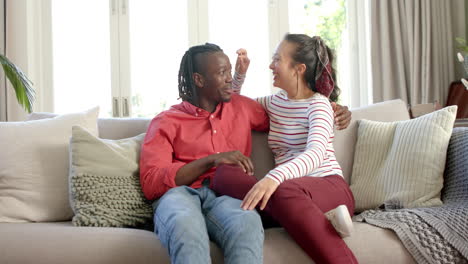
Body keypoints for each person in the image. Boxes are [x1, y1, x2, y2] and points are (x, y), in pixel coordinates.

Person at [139, 42, 352, 264]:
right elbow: (151, 182)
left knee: (247, 223)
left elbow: (291, 114)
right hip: (180, 195)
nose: (230, 78)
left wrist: (333, 108)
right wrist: (212, 160)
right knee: (186, 228)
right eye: (223, 73)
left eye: (230, 71)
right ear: (199, 80)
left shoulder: (242, 107)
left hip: (227, 196)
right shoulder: (165, 121)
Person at [212, 34, 358, 264]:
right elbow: (234, 105)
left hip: (328, 186)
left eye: (278, 60)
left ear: (298, 69)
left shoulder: (319, 105)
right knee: (222, 174)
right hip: (289, 194)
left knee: (281, 191)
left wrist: (273, 178)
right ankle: (312, 218)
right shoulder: (274, 103)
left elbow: (316, 153)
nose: (271, 65)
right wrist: (239, 75)